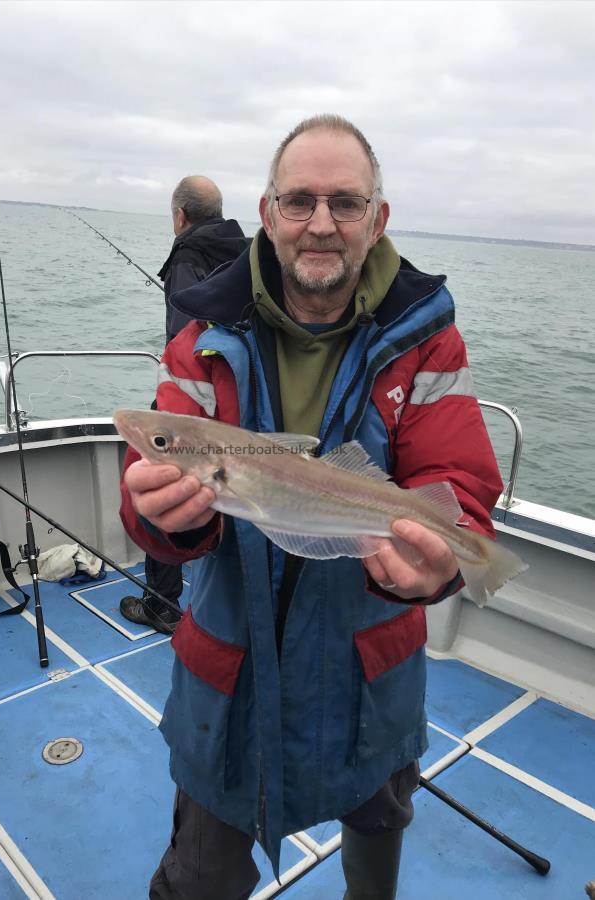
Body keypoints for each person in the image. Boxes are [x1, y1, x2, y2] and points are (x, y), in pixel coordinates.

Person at [119, 115, 504, 899]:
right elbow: (149, 503)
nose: (320, 224)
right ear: (267, 214)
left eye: (344, 202)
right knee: (198, 874)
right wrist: (164, 516)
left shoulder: (426, 338)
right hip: (228, 673)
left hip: (370, 671)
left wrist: (434, 563)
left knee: (377, 834)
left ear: (378, 218)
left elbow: (456, 483)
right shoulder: (200, 339)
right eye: (298, 201)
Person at [120, 176, 249, 634]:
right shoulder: (246, 249)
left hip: (194, 389)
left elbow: (184, 337)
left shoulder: (187, 252)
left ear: (180, 216)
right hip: (238, 394)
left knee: (158, 479)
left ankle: (161, 602)